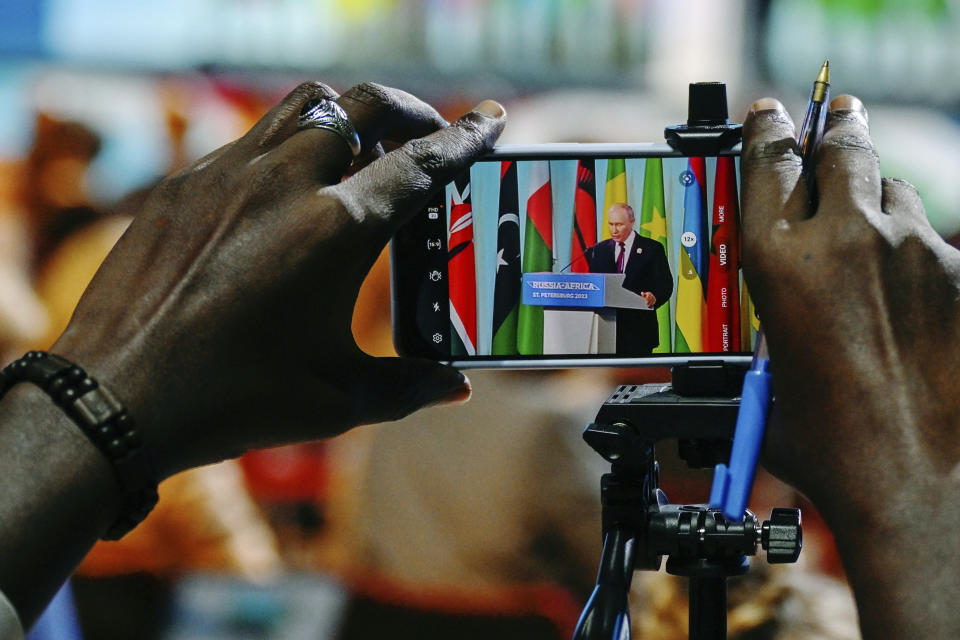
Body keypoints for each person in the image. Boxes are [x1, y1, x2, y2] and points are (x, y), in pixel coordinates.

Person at [0, 81, 955, 640]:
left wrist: (86, 405)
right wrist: (915, 503)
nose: (610, 229)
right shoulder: (548, 431)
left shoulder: (433, 408)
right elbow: (616, 567)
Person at [586, 202, 673, 355]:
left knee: (635, 379)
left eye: (619, 224)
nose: (614, 230)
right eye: (611, 224)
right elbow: (594, 285)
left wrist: (654, 296)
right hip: (606, 330)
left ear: (632, 222)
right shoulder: (599, 250)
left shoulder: (652, 249)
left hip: (639, 332)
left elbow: (665, 284)